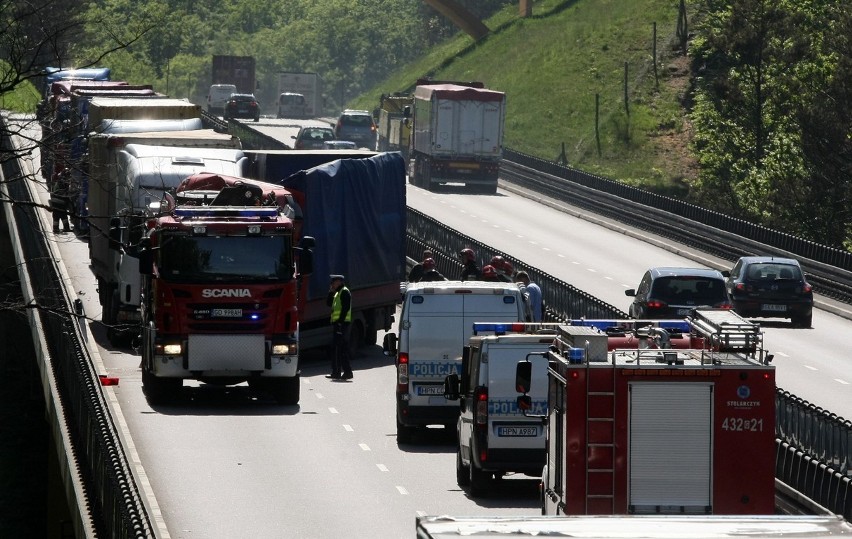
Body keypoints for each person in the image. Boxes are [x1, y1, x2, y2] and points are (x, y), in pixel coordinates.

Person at [326, 274, 354, 380]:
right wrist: (330, 292)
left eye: (333, 282)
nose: (332, 284)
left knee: (340, 349)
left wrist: (340, 323)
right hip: (338, 324)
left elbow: (345, 308)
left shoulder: (344, 292)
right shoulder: (337, 292)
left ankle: (343, 372)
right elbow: (328, 303)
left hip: (342, 324)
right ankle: (339, 372)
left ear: (339, 282)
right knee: (337, 348)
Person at [50, 167, 72, 233]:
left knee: (56, 215)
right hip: (61, 201)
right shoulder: (64, 182)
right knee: (63, 215)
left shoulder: (58, 181)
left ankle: (55, 228)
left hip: (54, 201)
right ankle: (66, 228)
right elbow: (66, 193)